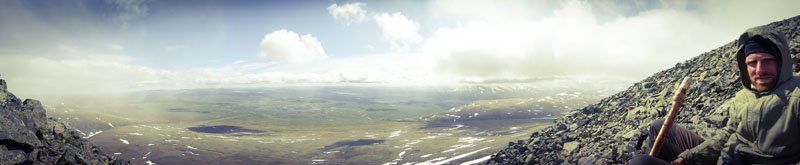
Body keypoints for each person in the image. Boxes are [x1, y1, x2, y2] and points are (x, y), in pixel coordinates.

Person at [630, 26, 799, 164]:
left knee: (640, 163)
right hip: (727, 157)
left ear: (782, 61)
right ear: (744, 66)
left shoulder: (796, 95)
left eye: (768, 60)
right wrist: (687, 157)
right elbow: (728, 133)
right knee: (658, 127)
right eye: (752, 63)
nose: (760, 70)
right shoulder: (743, 96)